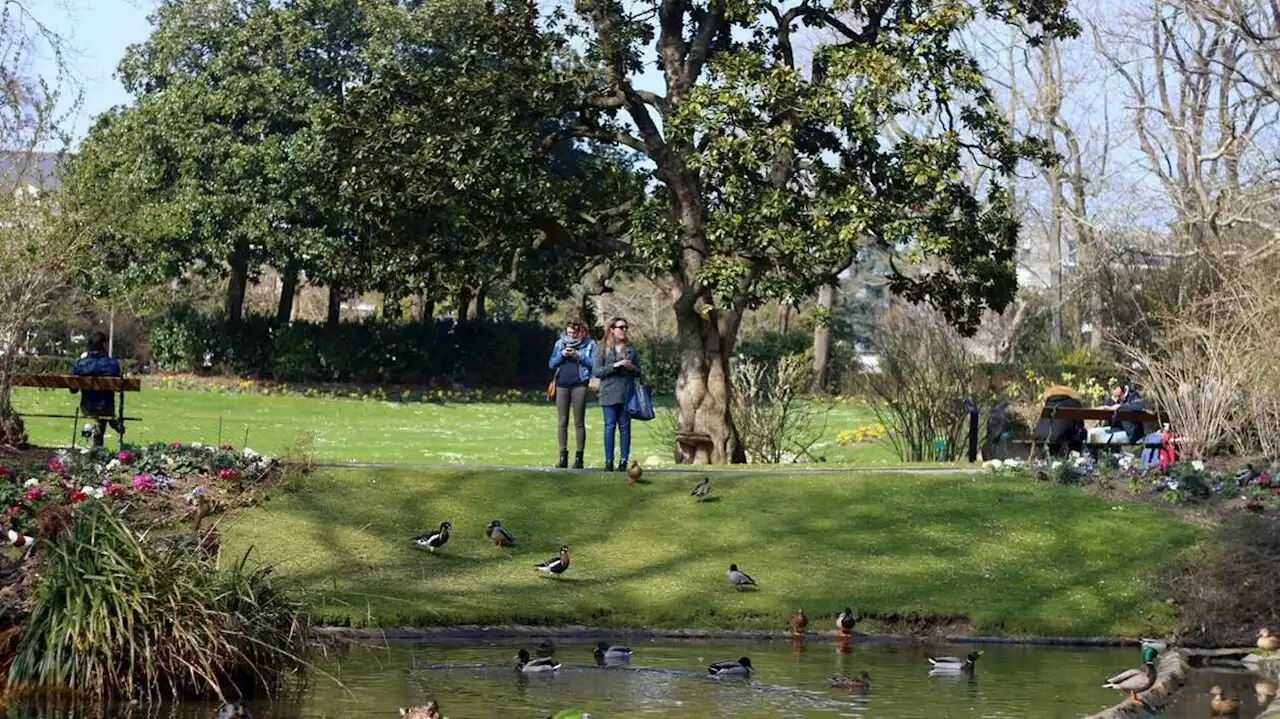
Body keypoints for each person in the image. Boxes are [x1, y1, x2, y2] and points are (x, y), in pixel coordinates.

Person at [592, 316, 641, 472]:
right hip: (609, 393)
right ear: (612, 329)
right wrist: (615, 365)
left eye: (626, 327)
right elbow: (597, 371)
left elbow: (639, 372)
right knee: (609, 427)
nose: (624, 330)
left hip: (626, 393)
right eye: (621, 327)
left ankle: (623, 461)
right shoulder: (602, 348)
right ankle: (609, 462)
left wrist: (631, 368)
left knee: (625, 428)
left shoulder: (631, 349)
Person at [548, 317, 596, 469]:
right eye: (569, 332)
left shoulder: (590, 344)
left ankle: (579, 458)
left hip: (580, 384)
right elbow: (552, 364)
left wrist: (579, 355)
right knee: (562, 421)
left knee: (579, 422)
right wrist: (563, 354)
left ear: (580, 331)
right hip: (562, 383)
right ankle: (563, 456)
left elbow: (594, 364)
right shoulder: (560, 343)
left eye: (574, 333)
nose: (572, 336)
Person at [70, 331, 123, 447]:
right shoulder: (112, 364)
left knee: (97, 413)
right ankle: (113, 424)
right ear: (104, 345)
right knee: (103, 412)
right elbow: (119, 388)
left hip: (87, 406)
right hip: (107, 407)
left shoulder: (81, 364)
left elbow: (73, 389)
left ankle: (97, 446)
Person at [1089, 380, 1147, 447]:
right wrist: (1112, 400)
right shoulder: (1116, 399)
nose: (1112, 390)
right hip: (1116, 430)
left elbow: (1140, 406)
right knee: (1092, 432)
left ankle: (1104, 455)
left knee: (1101, 437)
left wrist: (1120, 406)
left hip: (1130, 434)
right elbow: (1107, 406)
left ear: (1121, 388)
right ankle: (1092, 456)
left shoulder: (1133, 395)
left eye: (1115, 388)